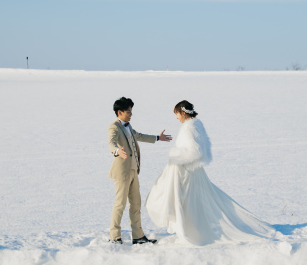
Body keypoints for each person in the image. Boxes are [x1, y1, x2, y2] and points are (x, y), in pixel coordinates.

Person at [146, 100, 276, 246]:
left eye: (176, 114)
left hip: (187, 173)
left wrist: (175, 157)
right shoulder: (196, 125)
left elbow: (196, 152)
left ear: (183, 112)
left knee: (186, 202)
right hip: (194, 171)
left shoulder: (189, 128)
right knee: (194, 202)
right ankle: (192, 229)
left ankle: (191, 232)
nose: (176, 117)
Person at [108, 97, 172, 244]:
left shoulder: (128, 127)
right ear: (120, 112)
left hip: (133, 171)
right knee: (120, 204)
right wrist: (117, 151)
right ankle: (114, 237)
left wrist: (157, 137)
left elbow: (139, 136)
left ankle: (138, 236)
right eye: (128, 111)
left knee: (136, 203)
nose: (131, 114)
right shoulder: (114, 127)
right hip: (121, 172)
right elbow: (111, 143)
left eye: (131, 111)